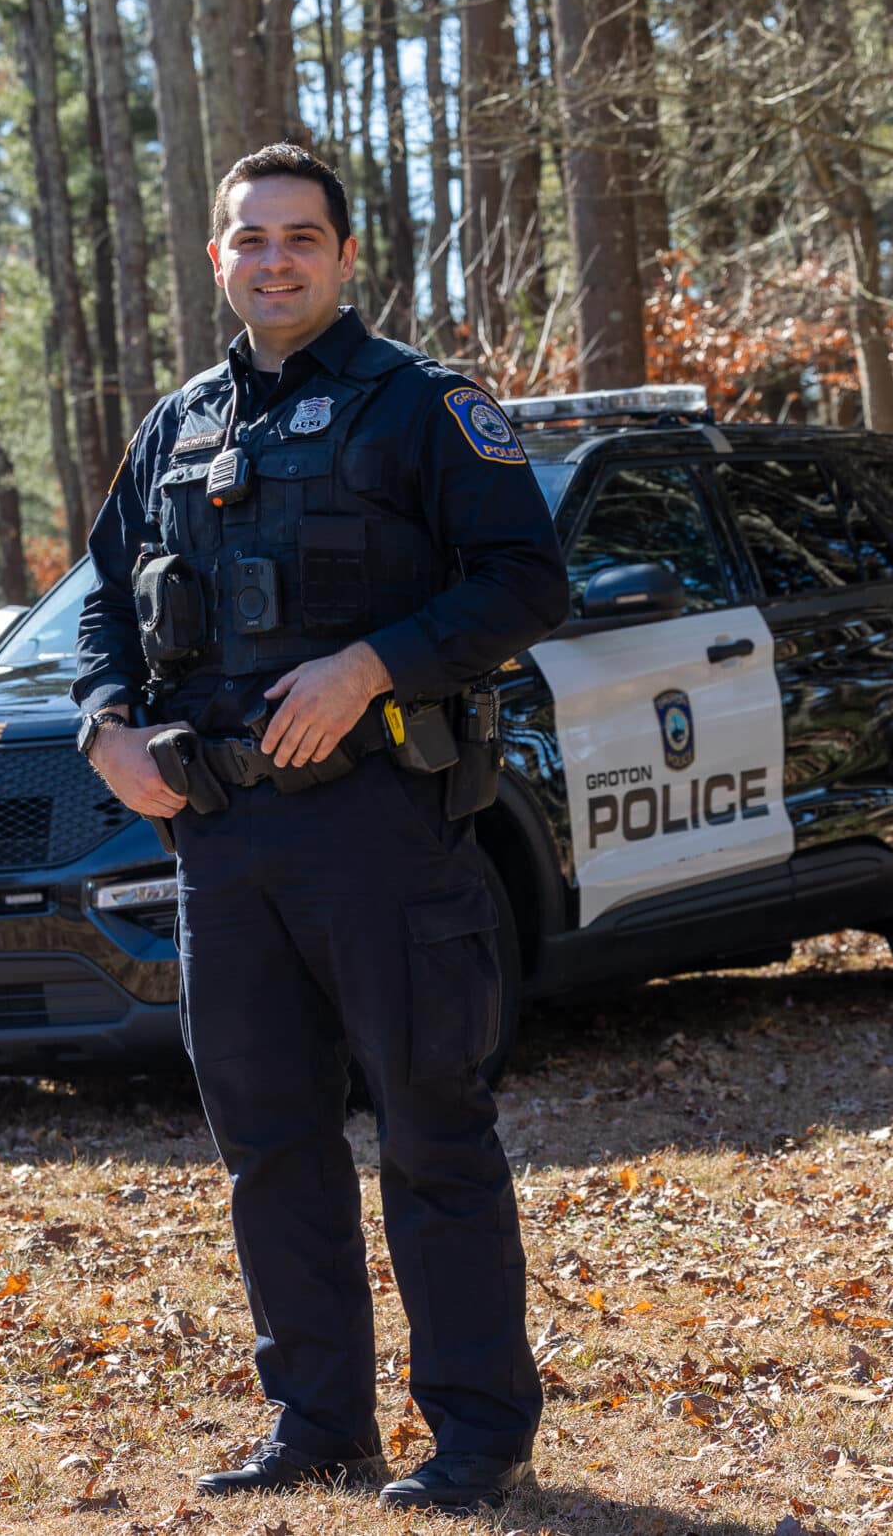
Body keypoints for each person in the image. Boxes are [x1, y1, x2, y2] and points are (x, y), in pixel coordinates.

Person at [71, 145, 568, 1512]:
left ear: (346, 259)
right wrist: (104, 723)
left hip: (380, 833)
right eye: (252, 239)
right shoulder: (176, 426)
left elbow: (528, 579)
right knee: (272, 1142)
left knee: (430, 1128)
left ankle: (476, 1434)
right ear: (219, 259)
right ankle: (319, 1427)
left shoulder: (422, 407)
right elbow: (105, 596)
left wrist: (372, 666)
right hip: (223, 844)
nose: (275, 260)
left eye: (301, 238)